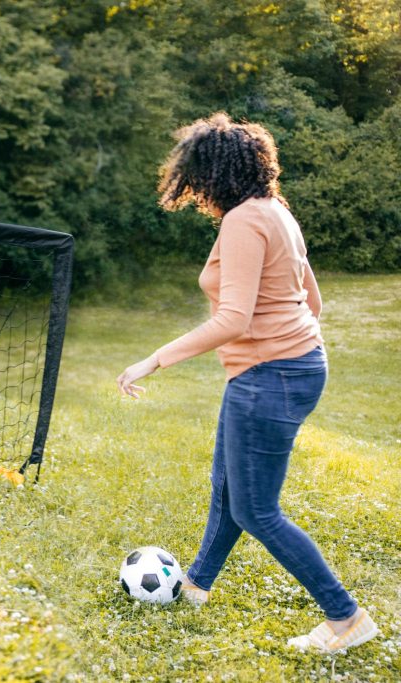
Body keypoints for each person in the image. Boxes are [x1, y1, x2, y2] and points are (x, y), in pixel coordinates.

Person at [117, 113, 378, 653]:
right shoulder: (276, 212)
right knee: (229, 487)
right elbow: (315, 301)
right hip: (289, 368)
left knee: (257, 510)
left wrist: (153, 361)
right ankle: (196, 584)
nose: (197, 192)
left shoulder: (243, 220)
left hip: (272, 376)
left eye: (197, 179)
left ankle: (346, 617)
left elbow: (233, 319)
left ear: (214, 175)